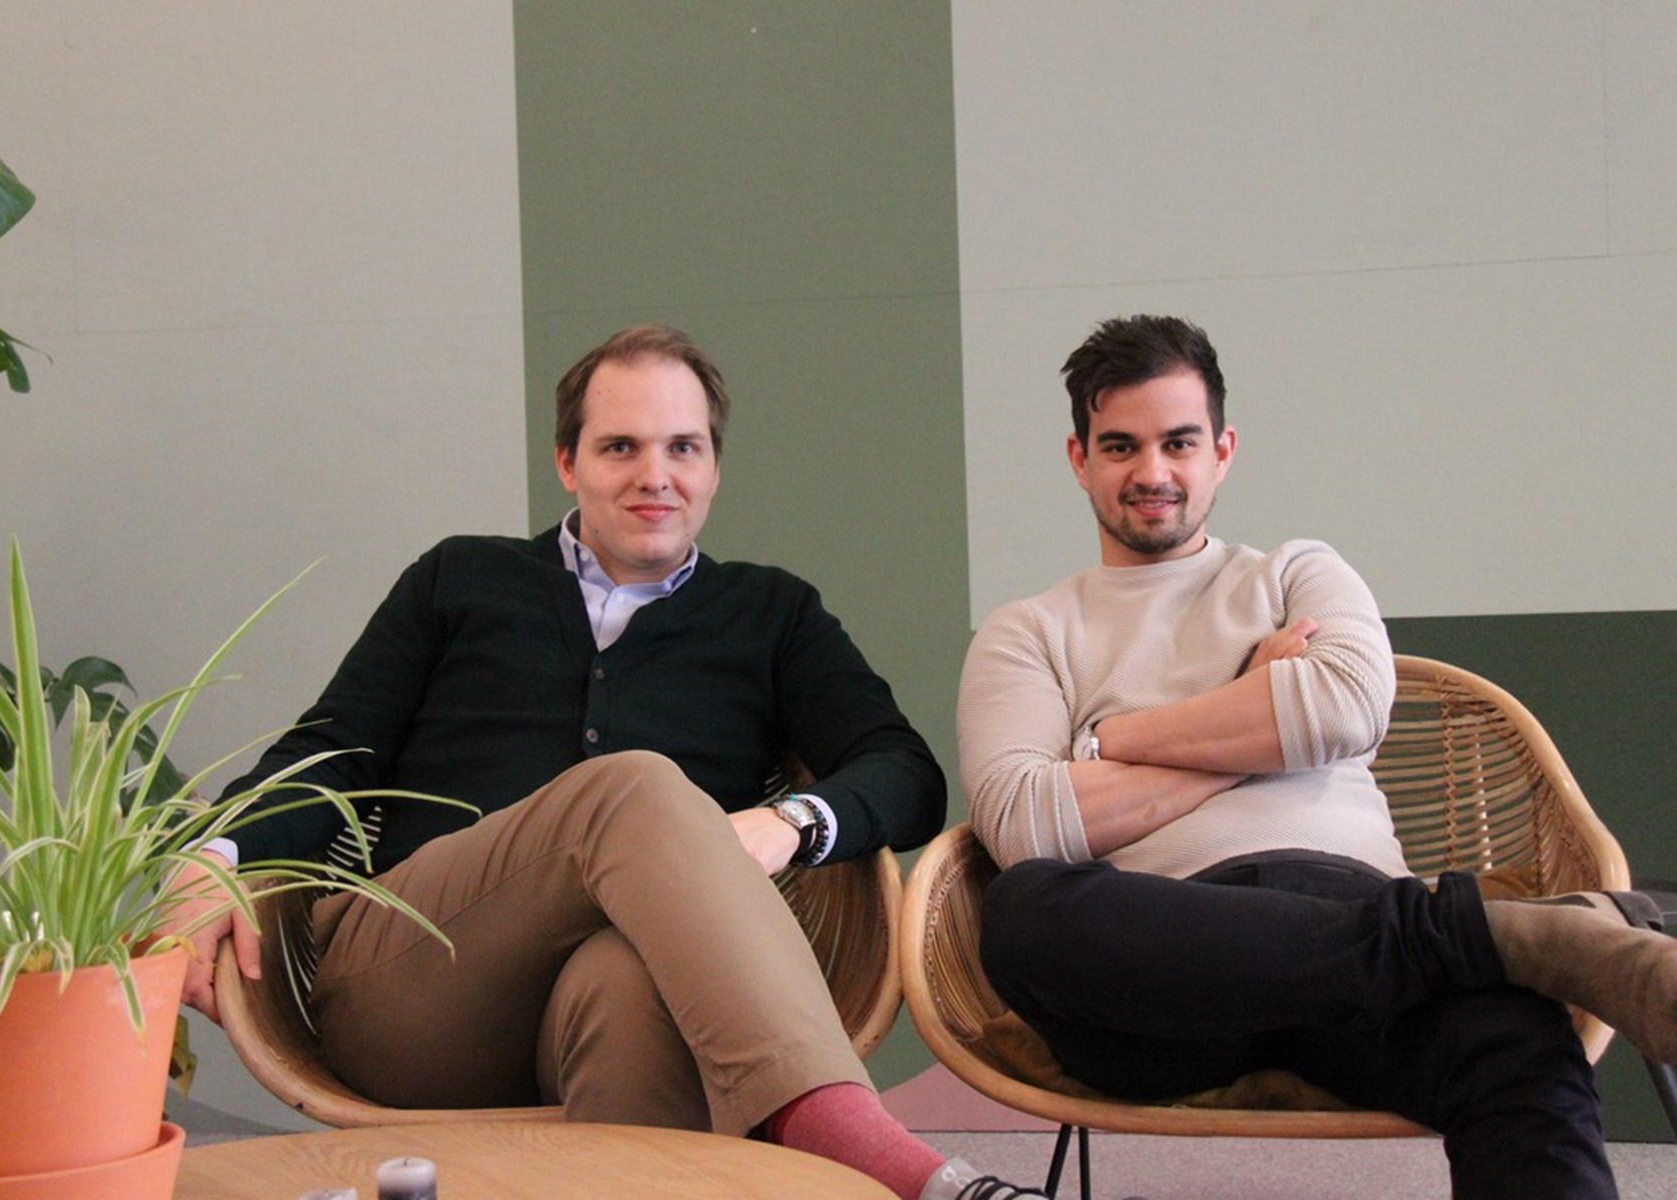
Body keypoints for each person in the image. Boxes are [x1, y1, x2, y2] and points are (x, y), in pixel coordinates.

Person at [164, 325, 1045, 1200]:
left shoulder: (772, 613)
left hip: (609, 1003)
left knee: (630, 981)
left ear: (714, 469)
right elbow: (331, 749)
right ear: (567, 462)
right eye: (620, 446)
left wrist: (789, 825)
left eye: (683, 448)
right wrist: (218, 853)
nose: (654, 475)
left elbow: (904, 772)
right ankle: (876, 1156)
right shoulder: (457, 580)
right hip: (411, 989)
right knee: (635, 785)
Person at [957, 314, 1677, 1200]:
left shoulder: (1296, 572)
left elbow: (1346, 704)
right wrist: (1251, 706)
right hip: (1166, 970)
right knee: (1024, 911)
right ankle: (1488, 936)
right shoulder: (1029, 631)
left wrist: (1106, 742)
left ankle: (1461, 944)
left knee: (1517, 1039)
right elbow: (1024, 821)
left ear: (1223, 452)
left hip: (1354, 927)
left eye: (1179, 442)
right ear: (1079, 459)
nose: (1152, 472)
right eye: (1120, 446)